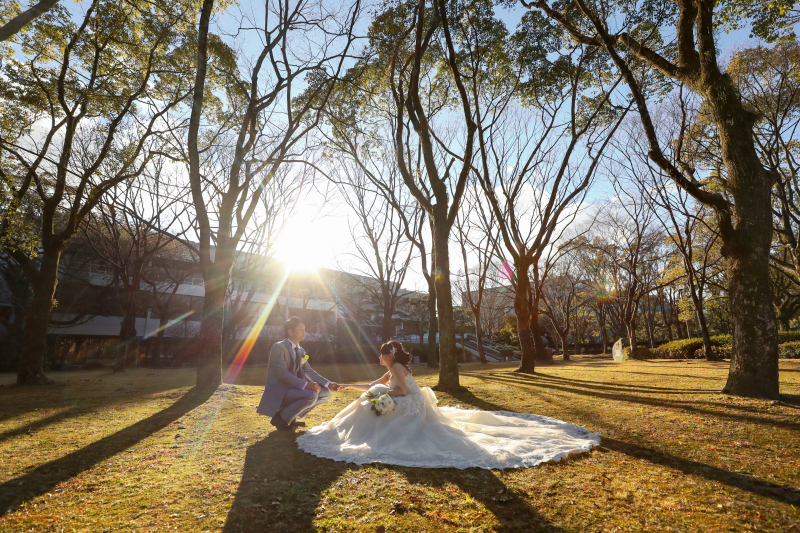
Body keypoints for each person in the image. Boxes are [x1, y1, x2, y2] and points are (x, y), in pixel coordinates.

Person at [296, 340, 600, 469]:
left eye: (381, 355)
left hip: (410, 404)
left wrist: (382, 398)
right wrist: (354, 387)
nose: (379, 358)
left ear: (390, 356)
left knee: (369, 403)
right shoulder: (392, 368)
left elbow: (400, 391)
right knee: (366, 400)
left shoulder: (399, 370)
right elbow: (376, 384)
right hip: (405, 400)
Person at [256, 317, 341, 431]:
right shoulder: (278, 347)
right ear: (290, 332)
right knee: (311, 395)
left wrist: (328, 384)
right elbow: (282, 373)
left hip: (294, 389)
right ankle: (280, 419)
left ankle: (290, 417)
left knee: (325, 393)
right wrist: (307, 384)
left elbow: (308, 370)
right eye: (301, 329)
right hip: (281, 390)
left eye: (304, 329)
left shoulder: (300, 350)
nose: (304, 332)